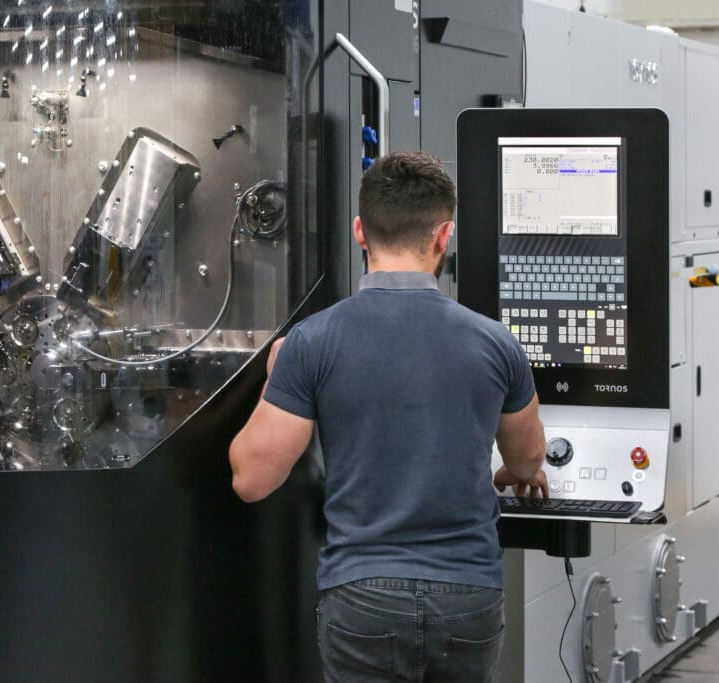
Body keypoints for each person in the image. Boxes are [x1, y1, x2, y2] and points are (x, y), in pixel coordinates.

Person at [228, 151, 548, 682]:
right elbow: (527, 455)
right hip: (467, 597)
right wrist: (516, 470)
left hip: (363, 596)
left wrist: (274, 377)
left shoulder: (312, 343)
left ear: (360, 230)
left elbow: (251, 479)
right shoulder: (496, 343)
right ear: (444, 236)